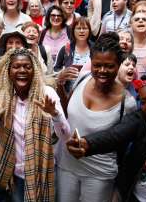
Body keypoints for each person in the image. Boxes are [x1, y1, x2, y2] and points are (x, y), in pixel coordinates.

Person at [0, 48, 70, 201]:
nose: (22, 70)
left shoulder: (47, 94)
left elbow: (65, 135)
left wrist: (55, 115)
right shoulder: (3, 94)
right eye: (16, 66)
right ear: (8, 70)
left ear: (35, 70)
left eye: (27, 66)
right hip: (15, 175)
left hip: (43, 171)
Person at [55, 32, 137, 202]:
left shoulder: (127, 103)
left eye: (109, 66)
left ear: (119, 64)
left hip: (99, 173)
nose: (102, 71)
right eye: (97, 65)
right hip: (67, 165)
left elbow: (119, 140)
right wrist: (60, 86)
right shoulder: (81, 79)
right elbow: (67, 111)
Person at [55, 18, 92, 93]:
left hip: (90, 90)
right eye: (78, 28)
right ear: (73, 31)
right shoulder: (66, 48)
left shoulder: (95, 48)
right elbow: (56, 69)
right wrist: (63, 73)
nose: (81, 31)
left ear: (89, 31)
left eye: (84, 28)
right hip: (69, 91)